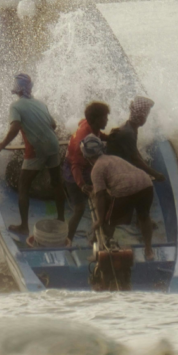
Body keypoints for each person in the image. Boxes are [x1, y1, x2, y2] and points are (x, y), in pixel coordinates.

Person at [0, 73, 65, 235]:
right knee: (57, 182)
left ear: (17, 89)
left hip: (37, 149)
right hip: (53, 145)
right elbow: (53, 125)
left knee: (23, 185)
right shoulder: (40, 104)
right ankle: (61, 219)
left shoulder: (16, 106)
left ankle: (24, 226)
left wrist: (2, 144)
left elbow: (15, 127)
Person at [81, 133, 156, 261]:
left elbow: (100, 196)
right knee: (144, 217)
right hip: (146, 185)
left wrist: (99, 220)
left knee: (108, 222)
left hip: (125, 191)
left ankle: (102, 253)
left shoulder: (97, 169)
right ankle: (149, 251)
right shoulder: (114, 158)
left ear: (86, 156)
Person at [62, 101, 110, 241]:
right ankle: (68, 239)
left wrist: (108, 137)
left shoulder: (88, 124)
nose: (107, 120)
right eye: (104, 117)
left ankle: (97, 236)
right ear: (95, 120)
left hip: (86, 165)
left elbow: (82, 122)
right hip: (73, 172)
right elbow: (75, 166)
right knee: (80, 208)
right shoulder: (81, 144)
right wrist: (82, 185)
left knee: (100, 199)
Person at [106, 96, 166, 182]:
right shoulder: (128, 133)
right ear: (141, 117)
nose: (146, 118)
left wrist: (147, 167)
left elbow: (134, 151)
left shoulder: (130, 127)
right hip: (114, 172)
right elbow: (135, 159)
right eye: (146, 115)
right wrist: (155, 174)